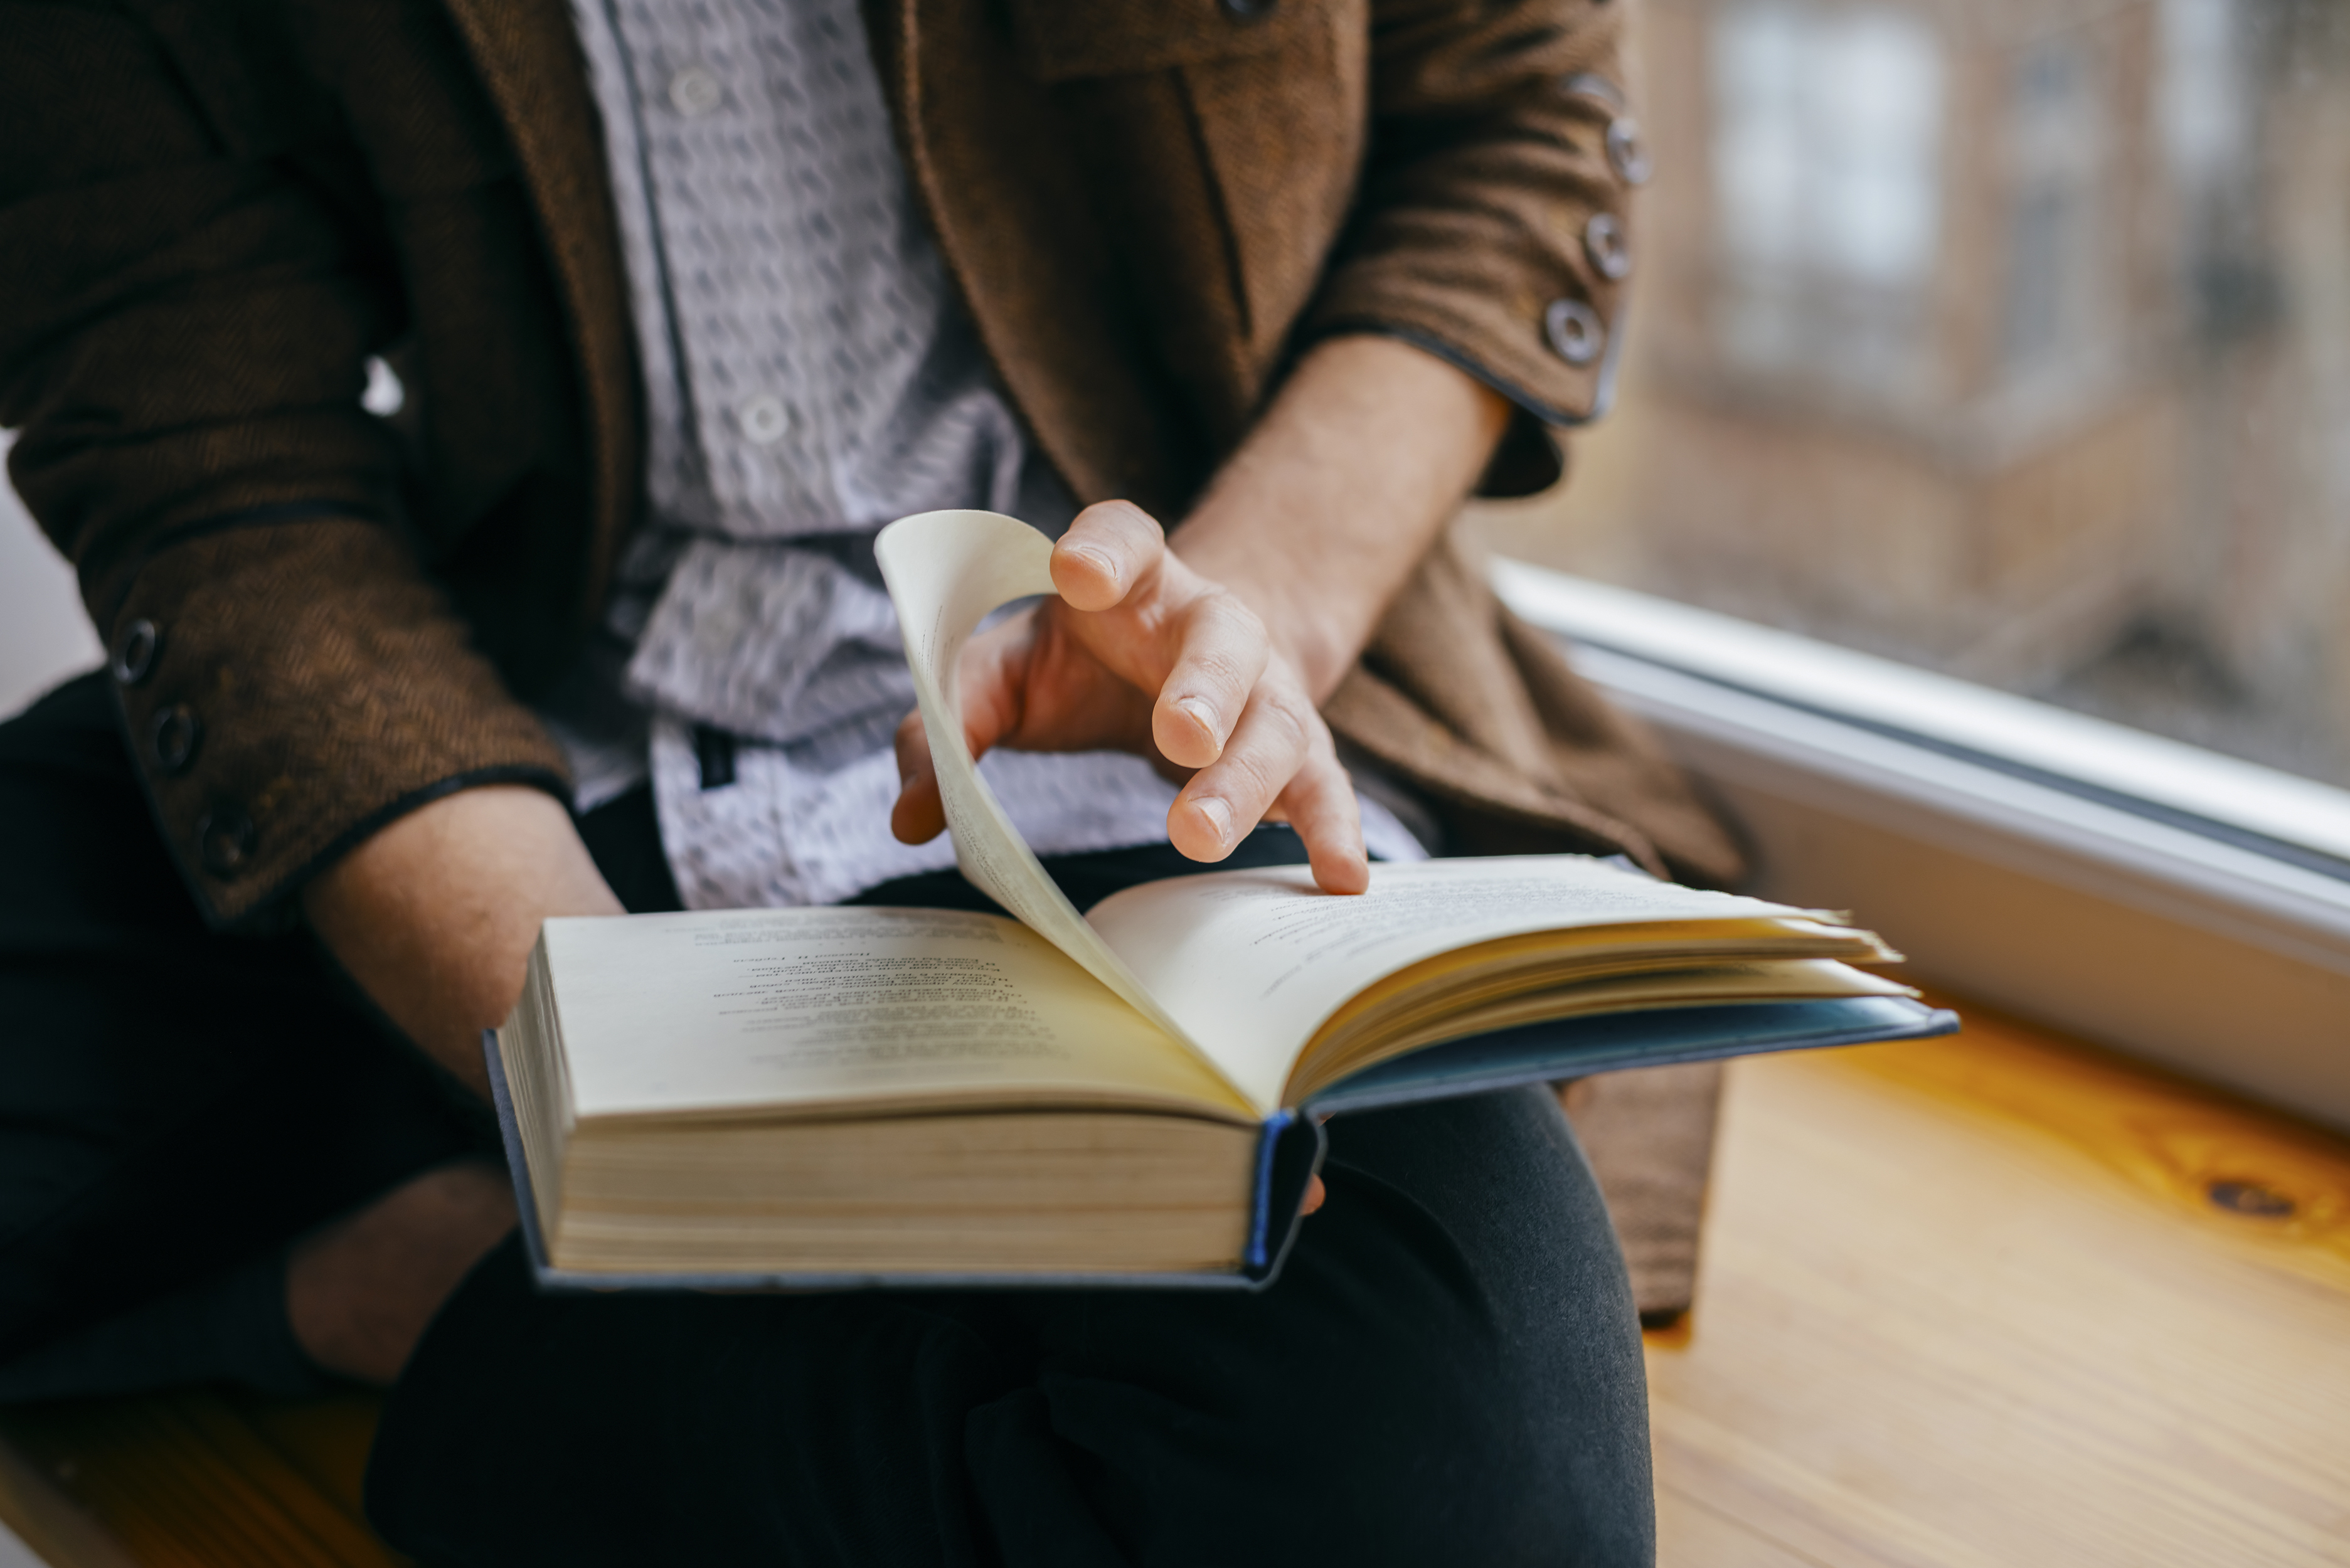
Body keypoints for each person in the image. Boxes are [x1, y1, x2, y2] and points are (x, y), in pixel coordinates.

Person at [0, 0, 1741, 1560]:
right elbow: (211, 454)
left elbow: (1515, 116)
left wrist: (1242, 616)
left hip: (1149, 797)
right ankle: (504, 1275)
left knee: (1448, 1482)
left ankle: (447, 1286)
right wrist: (617, 1087)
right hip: (494, 768)